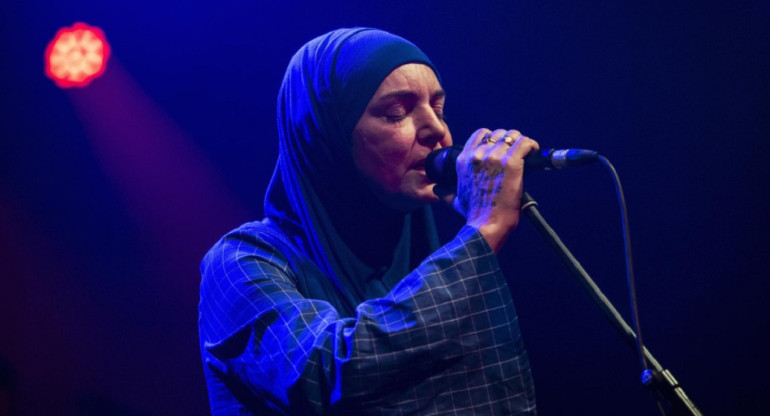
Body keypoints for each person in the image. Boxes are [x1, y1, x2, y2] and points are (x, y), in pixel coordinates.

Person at [198, 27, 539, 415]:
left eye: (439, 108)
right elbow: (325, 377)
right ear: (327, 139)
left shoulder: (433, 249)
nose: (437, 130)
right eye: (397, 112)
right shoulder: (239, 264)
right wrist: (483, 231)